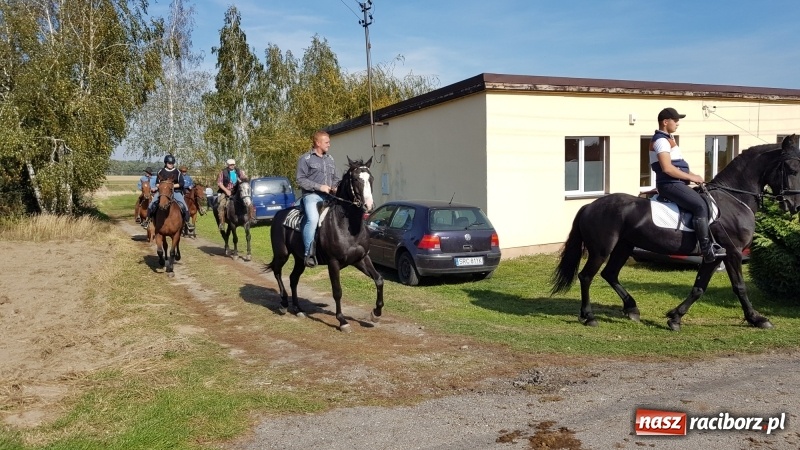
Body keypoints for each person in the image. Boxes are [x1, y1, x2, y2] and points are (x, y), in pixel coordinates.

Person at [650, 107, 725, 263]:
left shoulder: (668, 139)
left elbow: (679, 166)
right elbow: (667, 168)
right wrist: (691, 177)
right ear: (665, 122)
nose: (678, 123)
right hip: (669, 184)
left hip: (676, 183)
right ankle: (706, 249)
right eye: (675, 120)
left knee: (705, 200)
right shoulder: (661, 141)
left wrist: (694, 176)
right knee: (700, 205)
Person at [296, 130, 340, 268]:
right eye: (326, 142)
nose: (329, 144)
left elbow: (336, 178)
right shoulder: (306, 159)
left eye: (329, 142)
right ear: (317, 143)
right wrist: (320, 187)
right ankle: (308, 254)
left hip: (330, 197)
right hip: (311, 196)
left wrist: (335, 186)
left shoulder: (330, 159)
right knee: (313, 219)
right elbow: (300, 180)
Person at [141, 154, 191, 229]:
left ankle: (187, 223)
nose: (171, 164)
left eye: (172, 163)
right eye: (169, 163)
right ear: (166, 163)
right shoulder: (161, 171)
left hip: (175, 192)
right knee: (152, 204)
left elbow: (181, 183)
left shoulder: (177, 172)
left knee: (184, 205)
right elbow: (157, 183)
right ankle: (147, 220)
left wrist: (171, 186)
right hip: (162, 192)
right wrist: (163, 187)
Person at [216, 158, 249, 231]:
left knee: (247, 201)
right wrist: (226, 191)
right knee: (221, 205)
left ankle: (251, 218)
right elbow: (220, 183)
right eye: (231, 165)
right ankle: (222, 223)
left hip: (237, 190)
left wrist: (245, 176)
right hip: (226, 191)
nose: (232, 166)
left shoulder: (239, 171)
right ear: (228, 165)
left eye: (233, 164)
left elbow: (244, 179)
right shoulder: (223, 172)